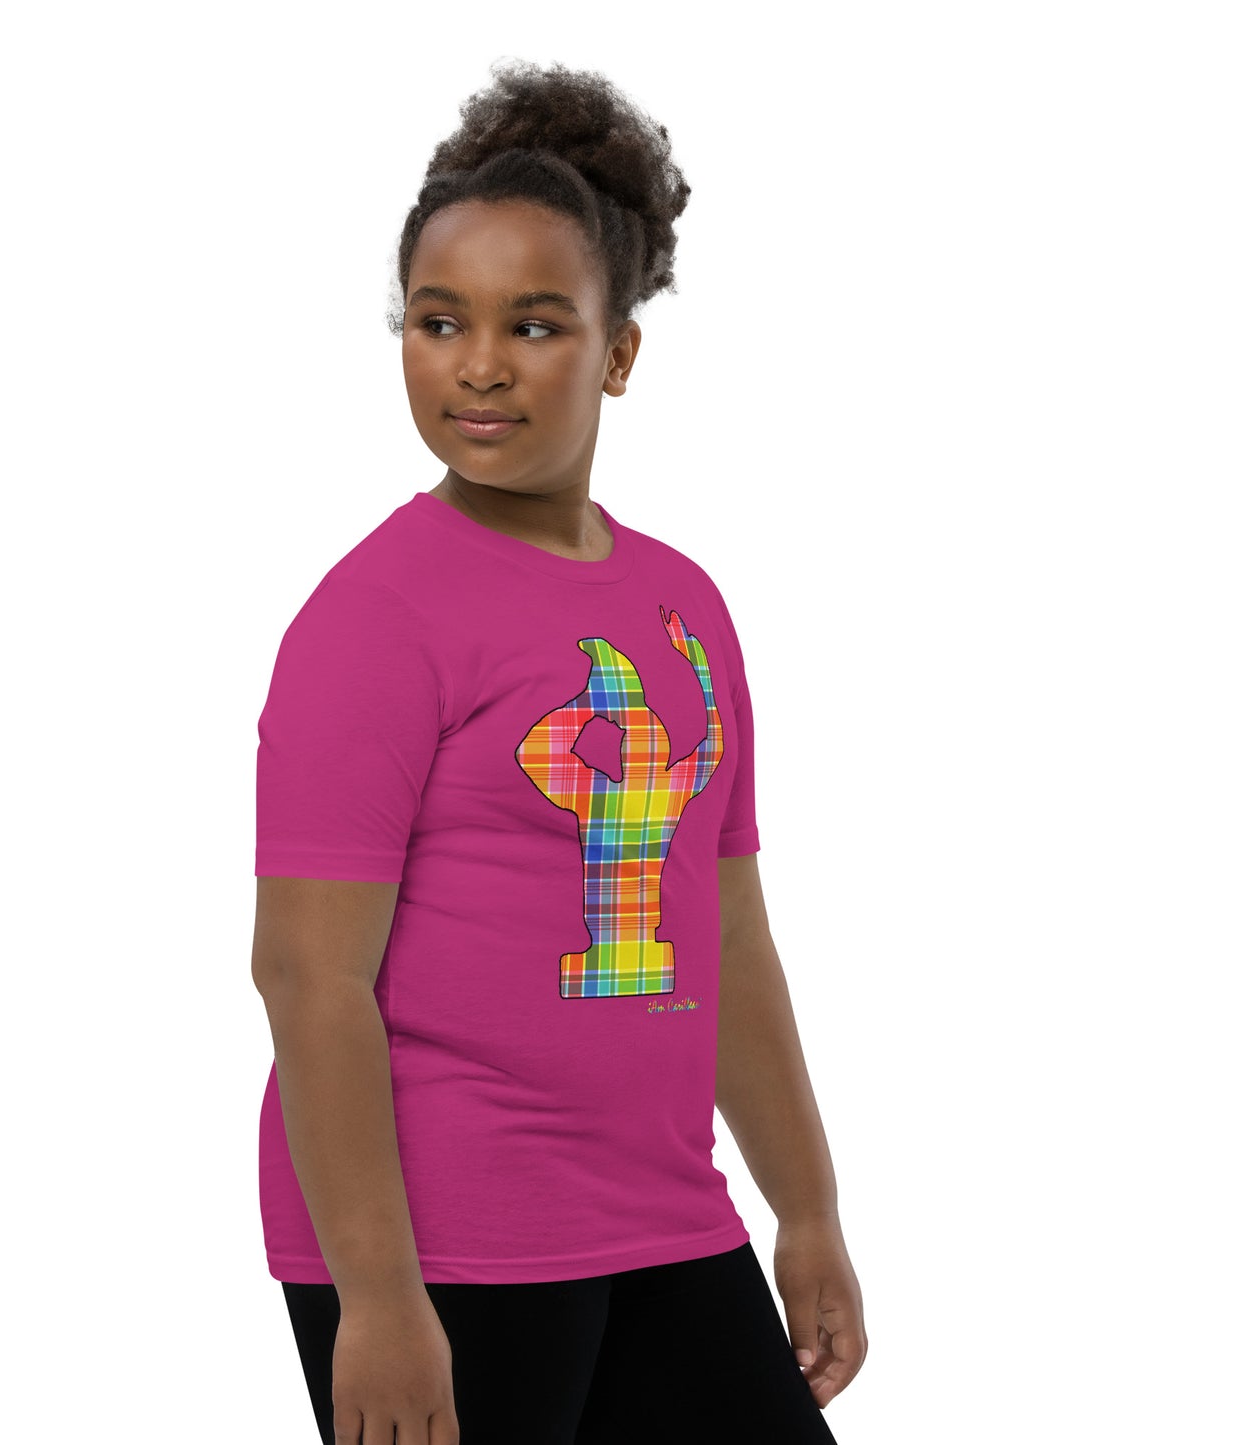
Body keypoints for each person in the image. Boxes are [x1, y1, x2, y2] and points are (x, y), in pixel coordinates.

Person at [251, 57, 867, 1445]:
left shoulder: (682, 604)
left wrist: (808, 1205)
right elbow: (306, 974)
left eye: (533, 325)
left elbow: (726, 928)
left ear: (618, 353)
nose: (478, 365)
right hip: (447, 1239)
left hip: (664, 1215)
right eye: (437, 320)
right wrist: (377, 1296)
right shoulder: (375, 619)